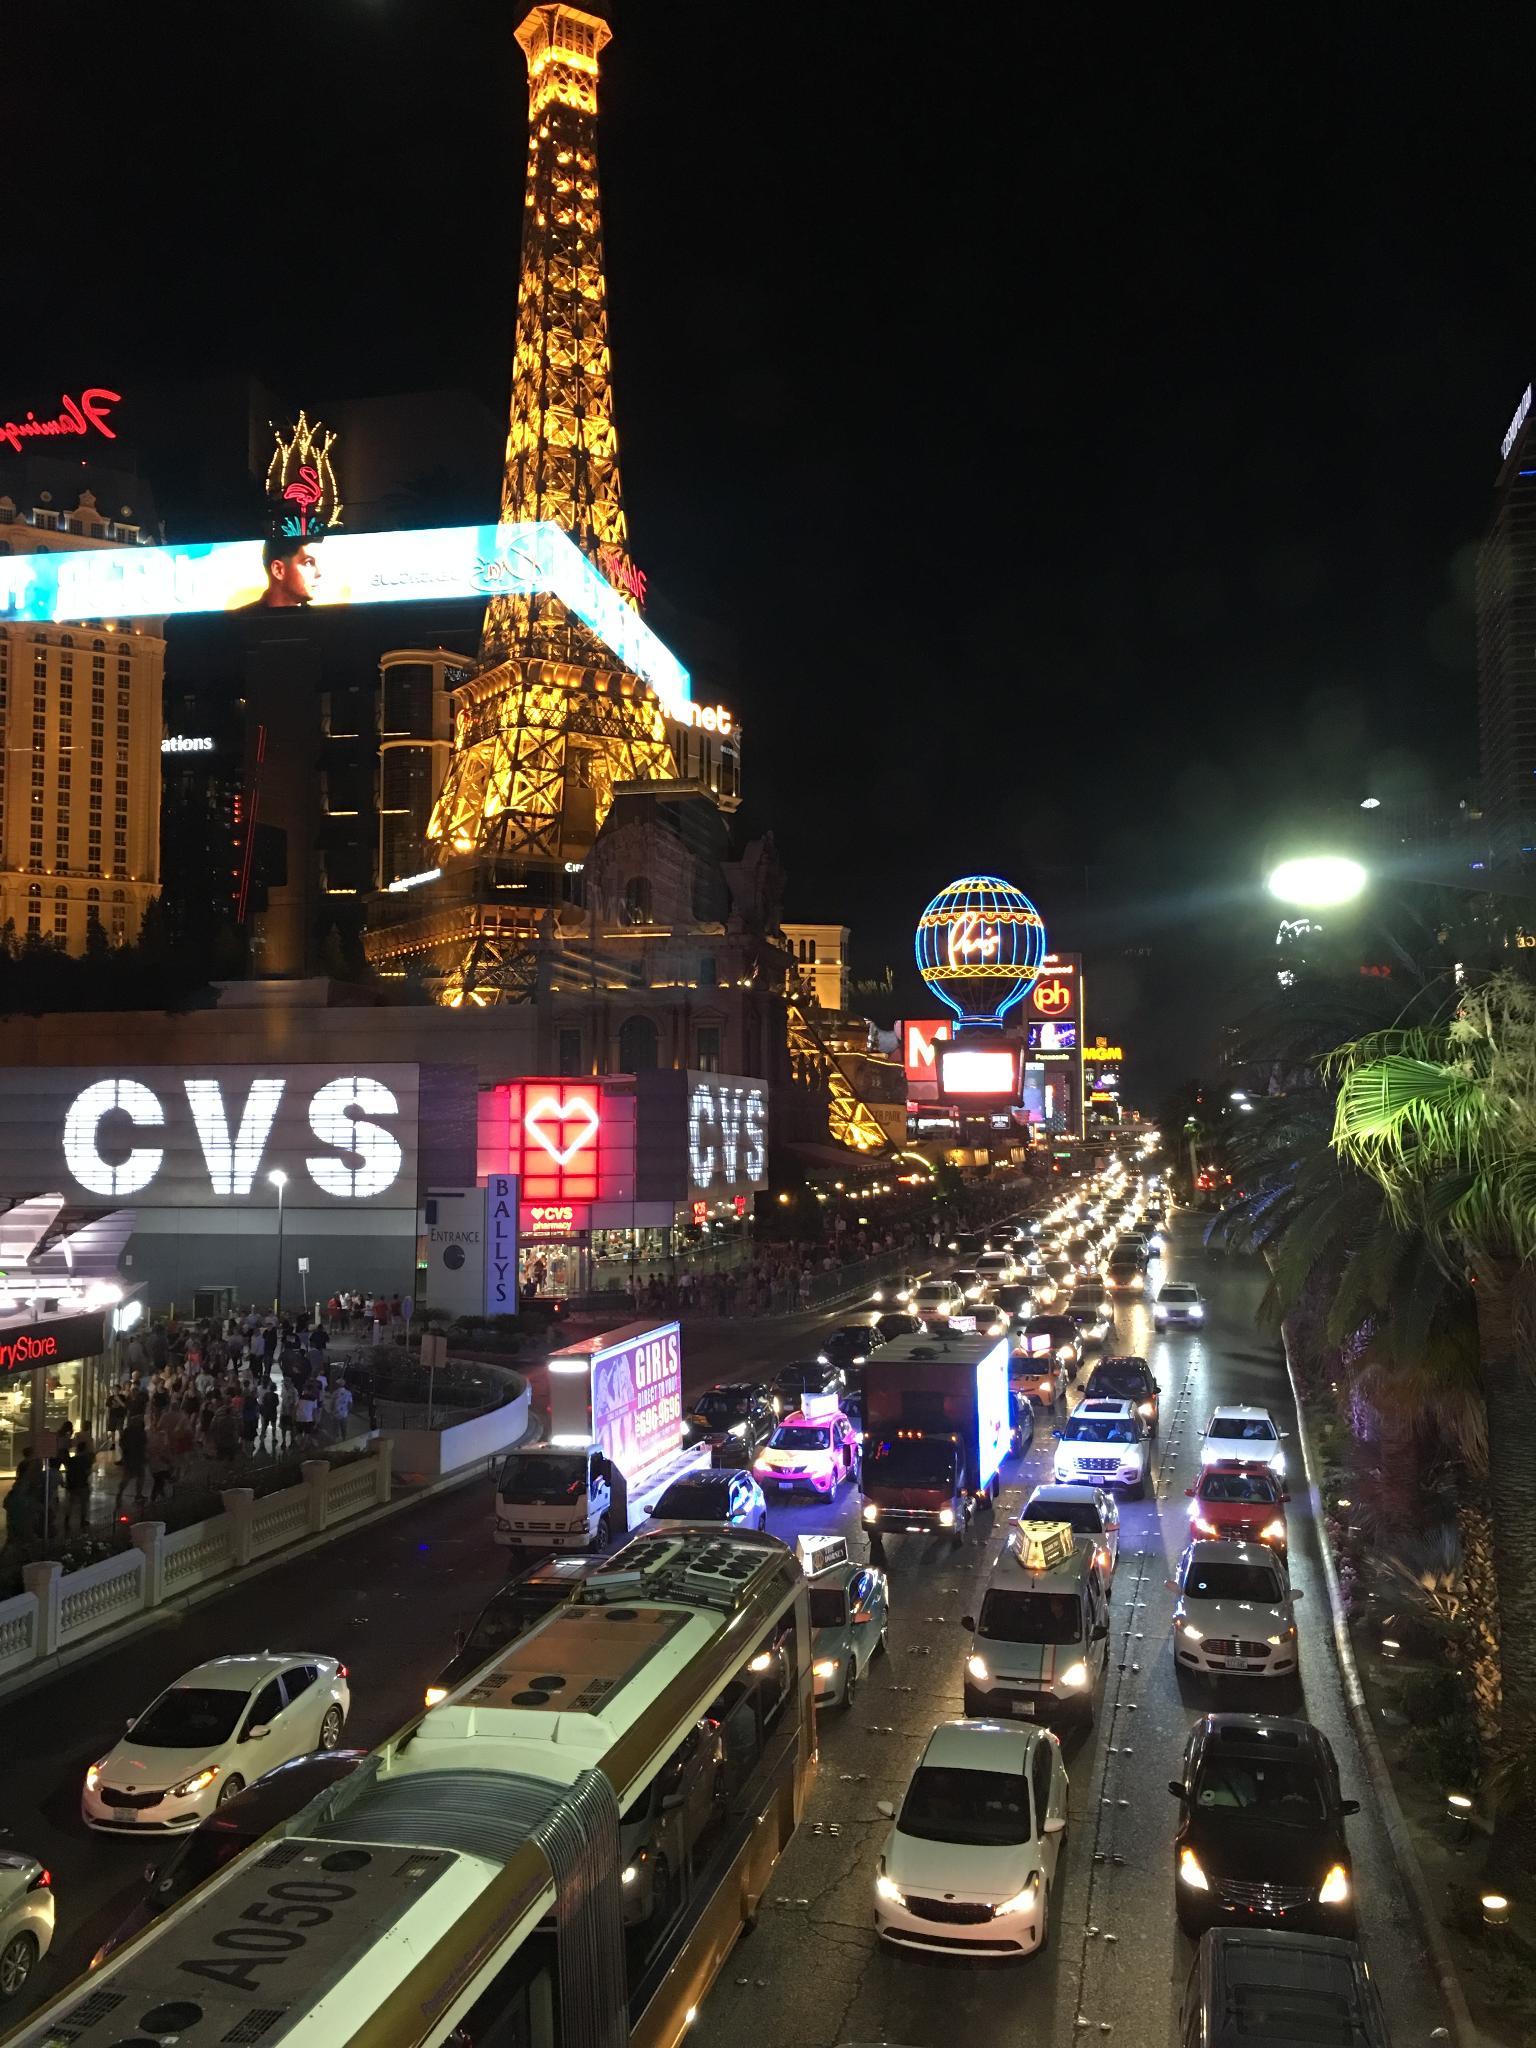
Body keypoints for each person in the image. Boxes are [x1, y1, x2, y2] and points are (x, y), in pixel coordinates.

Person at [115, 1410, 148, 1517]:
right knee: (140, 1476)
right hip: (138, 1457)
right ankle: (138, 1494)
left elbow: (121, 1442)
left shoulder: (127, 1431)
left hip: (129, 1457)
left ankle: (120, 1493)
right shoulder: (141, 1432)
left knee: (127, 1477)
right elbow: (144, 1444)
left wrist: (125, 1452)